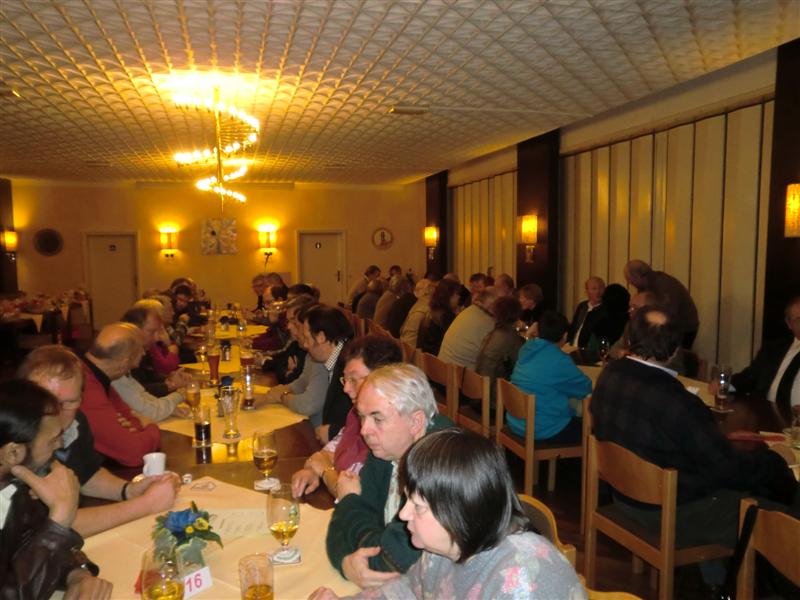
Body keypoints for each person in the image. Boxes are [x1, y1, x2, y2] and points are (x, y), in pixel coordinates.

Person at [591, 307, 799, 587]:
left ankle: (716, 578)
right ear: (676, 349)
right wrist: (776, 459)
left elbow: (674, 443)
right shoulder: (677, 401)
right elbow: (729, 471)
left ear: (630, 338)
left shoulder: (611, 375)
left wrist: (724, 443)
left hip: (626, 497)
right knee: (781, 516)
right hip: (670, 513)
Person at [310, 429, 585, 600]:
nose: (403, 514)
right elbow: (406, 590)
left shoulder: (522, 583)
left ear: (458, 510)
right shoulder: (444, 546)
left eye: (418, 506)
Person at [18, 345, 179, 537]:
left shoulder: (77, 422)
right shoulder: (15, 445)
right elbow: (51, 526)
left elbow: (87, 472)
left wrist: (128, 490)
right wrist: (146, 505)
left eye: (69, 402)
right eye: (48, 400)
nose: (58, 414)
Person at [325, 364, 453, 588]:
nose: (364, 430)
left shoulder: (440, 467)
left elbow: (387, 563)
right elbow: (338, 529)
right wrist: (346, 563)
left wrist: (348, 501)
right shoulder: (386, 450)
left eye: (377, 419)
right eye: (362, 417)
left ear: (416, 422)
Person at [0, 379, 113, 598]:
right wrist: (60, 520)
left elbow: (32, 544)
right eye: (53, 439)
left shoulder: (20, 482)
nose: (60, 444)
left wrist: (78, 574)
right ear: (13, 453)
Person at [291, 335, 403, 499]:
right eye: (345, 379)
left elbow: (353, 493)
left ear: (384, 379)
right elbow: (333, 449)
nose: (346, 389)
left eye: (354, 380)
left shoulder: (392, 428)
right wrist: (312, 469)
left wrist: (325, 471)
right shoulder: (356, 414)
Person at [81, 322, 161, 466]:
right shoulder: (85, 387)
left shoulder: (96, 376)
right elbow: (135, 453)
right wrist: (151, 426)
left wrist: (134, 430)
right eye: (140, 350)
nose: (144, 354)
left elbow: (130, 419)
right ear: (124, 364)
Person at [713, 295, 800, 422]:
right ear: (789, 324)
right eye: (799, 320)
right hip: (767, 416)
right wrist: (725, 386)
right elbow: (750, 377)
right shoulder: (774, 349)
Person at [509, 311, 591, 442]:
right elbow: (585, 388)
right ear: (565, 335)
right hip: (543, 428)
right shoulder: (559, 360)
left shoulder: (526, 349)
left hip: (517, 422)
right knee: (591, 433)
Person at [624, 259, 699, 348]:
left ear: (638, 276)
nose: (630, 283)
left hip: (683, 329)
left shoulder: (665, 286)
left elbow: (668, 314)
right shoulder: (645, 285)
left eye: (629, 279)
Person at [123, 306, 191, 397]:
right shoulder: (123, 355)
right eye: (152, 332)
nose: (157, 338)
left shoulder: (143, 349)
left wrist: (168, 378)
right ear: (134, 329)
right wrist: (170, 385)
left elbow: (149, 376)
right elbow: (134, 392)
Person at [476, 295, 525, 404]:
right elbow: (519, 364)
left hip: (479, 392)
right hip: (494, 400)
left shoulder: (493, 333)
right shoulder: (510, 337)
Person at [437, 287, 498, 370]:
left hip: (442, 369)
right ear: (492, 306)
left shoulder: (467, 311)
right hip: (460, 375)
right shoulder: (489, 323)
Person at [416, 279, 461, 356]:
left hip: (426, 357)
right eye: (456, 294)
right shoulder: (446, 316)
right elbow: (456, 341)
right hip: (438, 357)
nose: (458, 297)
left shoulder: (432, 311)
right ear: (449, 296)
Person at [567, 276, 606, 348]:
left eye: (601, 288)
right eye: (594, 289)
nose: (598, 292)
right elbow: (574, 327)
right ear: (587, 291)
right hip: (572, 345)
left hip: (588, 349)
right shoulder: (582, 306)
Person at [399, 279, 435, 348]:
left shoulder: (421, 309)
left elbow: (409, 339)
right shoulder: (425, 305)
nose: (415, 292)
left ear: (426, 292)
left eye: (418, 289)